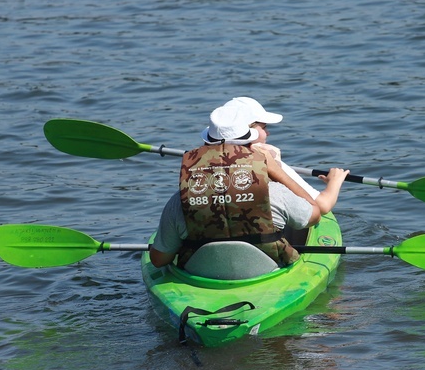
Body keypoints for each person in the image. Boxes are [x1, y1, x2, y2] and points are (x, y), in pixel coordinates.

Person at [149, 103, 349, 270]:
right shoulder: (275, 193)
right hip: (266, 274)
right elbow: (315, 215)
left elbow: (158, 261)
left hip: (202, 278)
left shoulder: (180, 201)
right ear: (253, 147)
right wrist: (275, 171)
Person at [222, 96, 346, 214]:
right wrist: (335, 181)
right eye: (264, 128)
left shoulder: (206, 158)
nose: (268, 133)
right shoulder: (263, 156)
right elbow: (322, 205)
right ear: (250, 131)